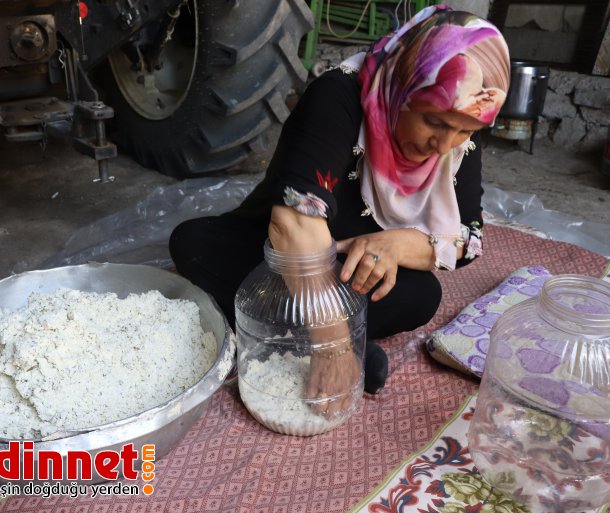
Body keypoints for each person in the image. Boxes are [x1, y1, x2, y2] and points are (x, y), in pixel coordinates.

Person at [169, 6, 510, 404]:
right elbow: (293, 221)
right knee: (194, 243)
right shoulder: (340, 95)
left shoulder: (466, 110)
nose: (443, 145)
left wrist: (397, 244)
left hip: (350, 267)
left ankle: (277, 333)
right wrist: (331, 343)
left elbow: (469, 238)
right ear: (403, 88)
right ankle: (335, 337)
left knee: (420, 295)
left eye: (465, 130)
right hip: (278, 252)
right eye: (433, 122)